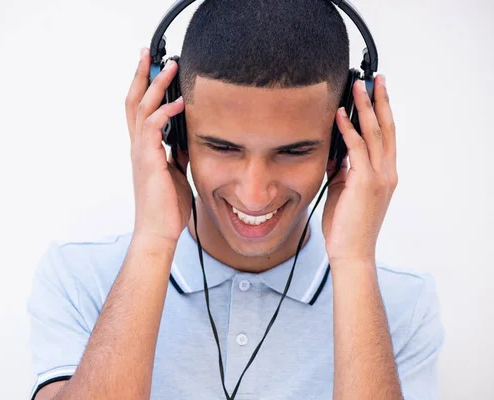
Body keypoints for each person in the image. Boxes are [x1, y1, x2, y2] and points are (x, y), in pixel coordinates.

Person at [26, 0, 444, 399]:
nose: (255, 193)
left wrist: (354, 262)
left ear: (341, 145)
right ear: (174, 133)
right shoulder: (79, 279)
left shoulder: (399, 305)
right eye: (224, 148)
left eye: (293, 151)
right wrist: (153, 241)